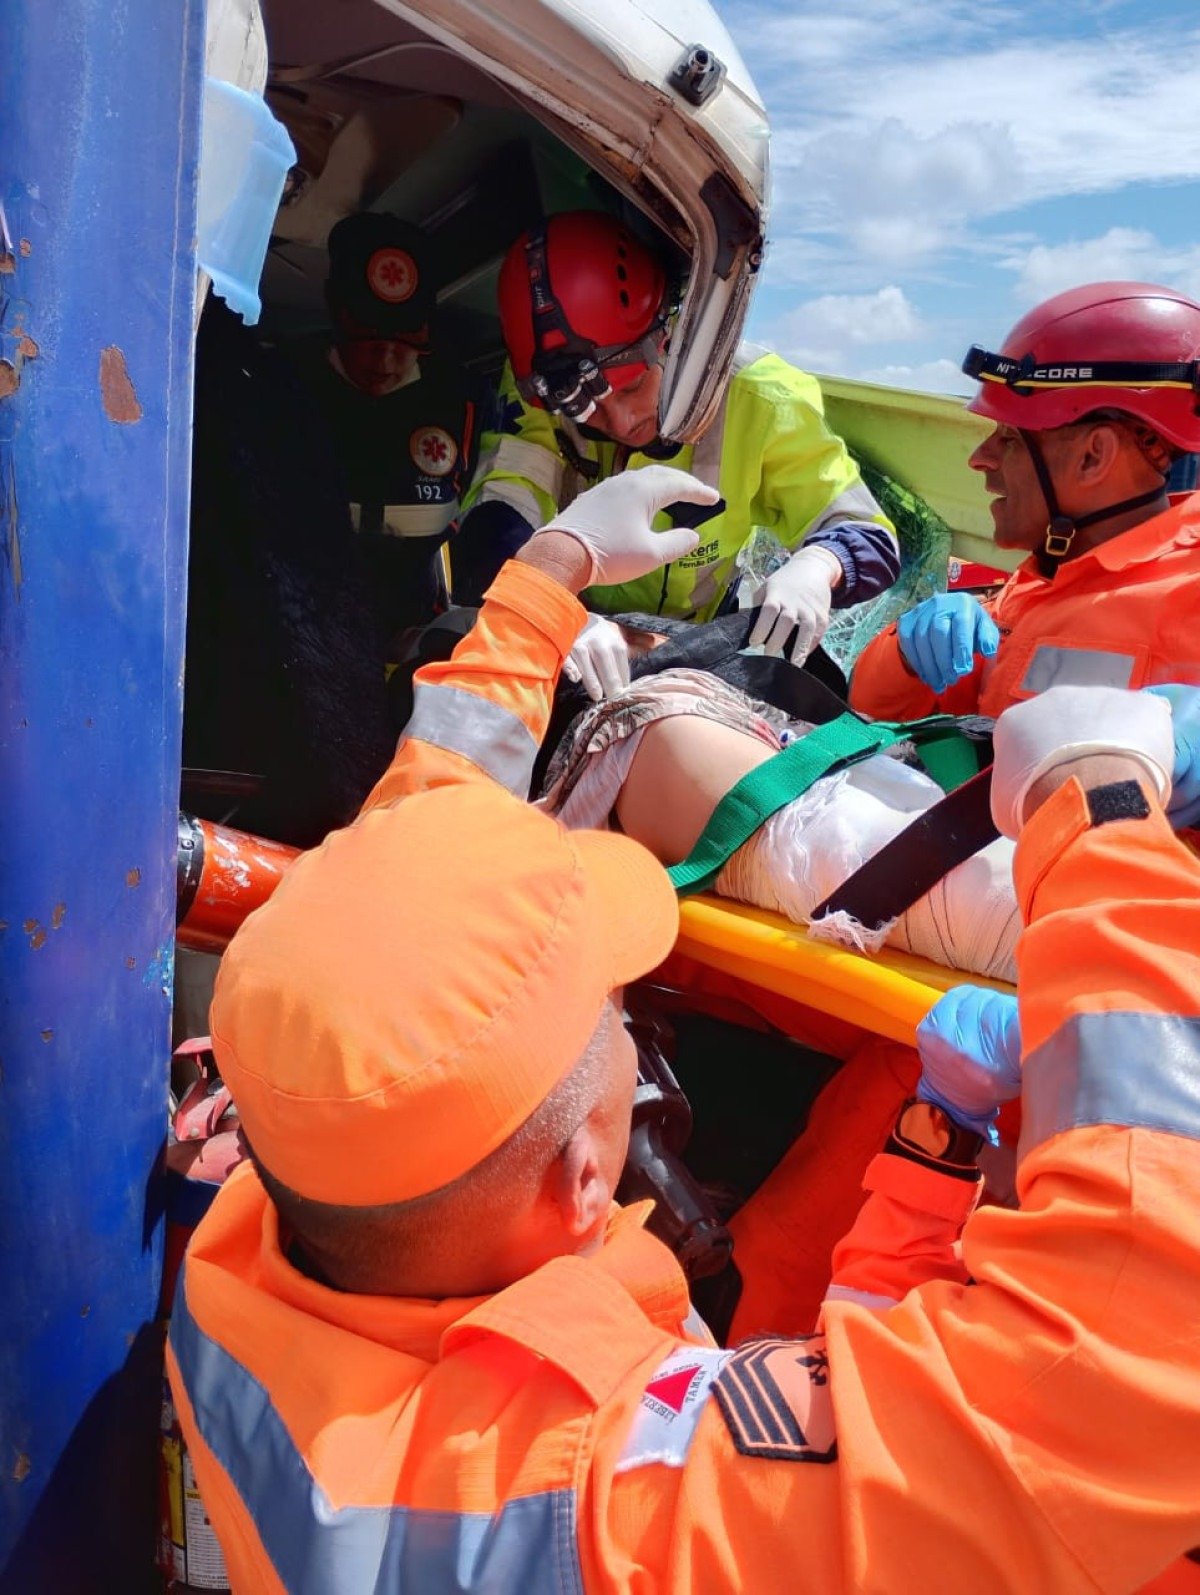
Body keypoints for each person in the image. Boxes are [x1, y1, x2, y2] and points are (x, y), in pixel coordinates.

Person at [167, 450, 1200, 1589]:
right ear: (584, 1180)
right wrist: (1099, 808)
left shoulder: (261, 1229)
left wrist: (550, 573)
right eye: (614, 1010)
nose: (629, 1018)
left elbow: (413, 845)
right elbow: (1133, 1365)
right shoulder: (634, 1512)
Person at [452, 208, 899, 690]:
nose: (621, 422)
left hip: (699, 638)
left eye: (632, 387)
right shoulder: (539, 398)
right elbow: (499, 514)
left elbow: (866, 535)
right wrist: (551, 604)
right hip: (582, 636)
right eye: (590, 411)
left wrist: (817, 567)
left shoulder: (764, 397)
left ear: (673, 339)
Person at [851, 281, 1200, 721]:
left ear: (1093, 457)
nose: (981, 459)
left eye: (1011, 439)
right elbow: (880, 713)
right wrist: (901, 656)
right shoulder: (1050, 577)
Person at [285, 211, 479, 639]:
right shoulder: (283, 385)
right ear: (336, 311)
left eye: (404, 339)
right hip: (295, 624)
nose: (384, 360)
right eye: (367, 335)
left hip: (414, 627)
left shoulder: (458, 397)